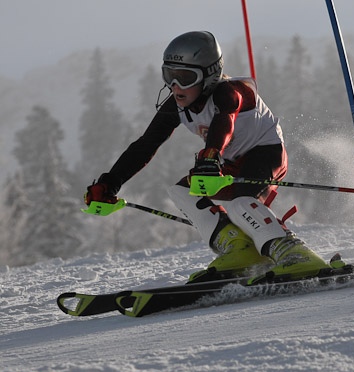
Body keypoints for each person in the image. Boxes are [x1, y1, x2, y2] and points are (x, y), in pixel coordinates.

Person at [84, 31, 334, 285]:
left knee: (241, 202)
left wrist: (211, 156)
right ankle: (240, 250)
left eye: (186, 78)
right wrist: (110, 183)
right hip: (228, 161)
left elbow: (223, 121)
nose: (176, 87)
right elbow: (145, 145)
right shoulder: (177, 106)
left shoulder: (231, 92)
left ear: (210, 75)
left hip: (266, 153)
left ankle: (293, 252)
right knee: (182, 192)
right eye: (170, 76)